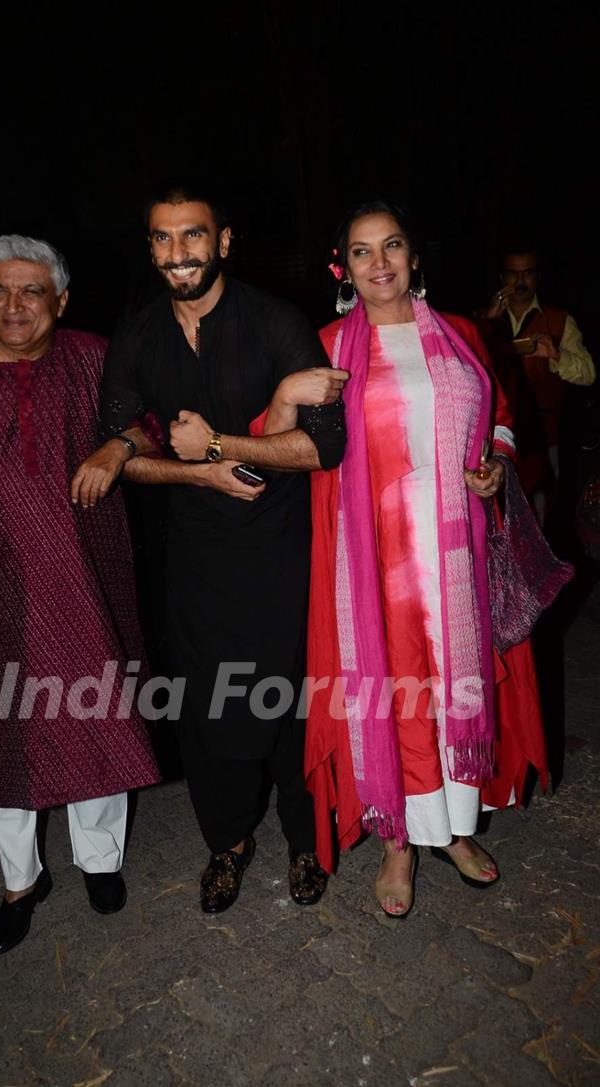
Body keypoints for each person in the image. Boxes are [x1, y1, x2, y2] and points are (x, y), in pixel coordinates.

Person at [256, 200, 548, 917]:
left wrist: (493, 466)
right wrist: (286, 392)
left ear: (415, 258)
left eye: (392, 246)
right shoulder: (324, 346)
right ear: (343, 267)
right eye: (362, 251)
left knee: (456, 688)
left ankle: (450, 827)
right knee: (400, 697)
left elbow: (502, 416)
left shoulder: (461, 336)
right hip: (375, 561)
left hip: (456, 552)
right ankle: (399, 841)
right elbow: (271, 440)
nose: (379, 262)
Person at [72, 184, 348, 914]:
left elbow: (325, 448)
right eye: (162, 239)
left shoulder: (273, 321)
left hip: (281, 550)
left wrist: (223, 444)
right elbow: (127, 445)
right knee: (209, 709)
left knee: (291, 701)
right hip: (193, 555)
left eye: (191, 236)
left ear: (223, 241)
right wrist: (193, 468)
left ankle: (304, 841)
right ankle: (226, 844)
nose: (176, 254)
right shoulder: (137, 336)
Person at [0, 235, 160, 955]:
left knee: (95, 722)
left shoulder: (92, 357)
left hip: (88, 580)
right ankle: (21, 880)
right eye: (0, 291)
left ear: (61, 300)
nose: (13, 306)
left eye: (31, 292)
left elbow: (157, 417)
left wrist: (120, 447)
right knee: (4, 739)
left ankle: (100, 861)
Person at [473, 247, 595, 525]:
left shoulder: (559, 320)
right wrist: (488, 323)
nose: (519, 282)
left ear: (537, 278)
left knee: (542, 515)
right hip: (496, 438)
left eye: (527, 273)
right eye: (513, 274)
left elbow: (588, 373)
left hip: (544, 436)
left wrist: (555, 355)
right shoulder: (483, 319)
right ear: (501, 277)